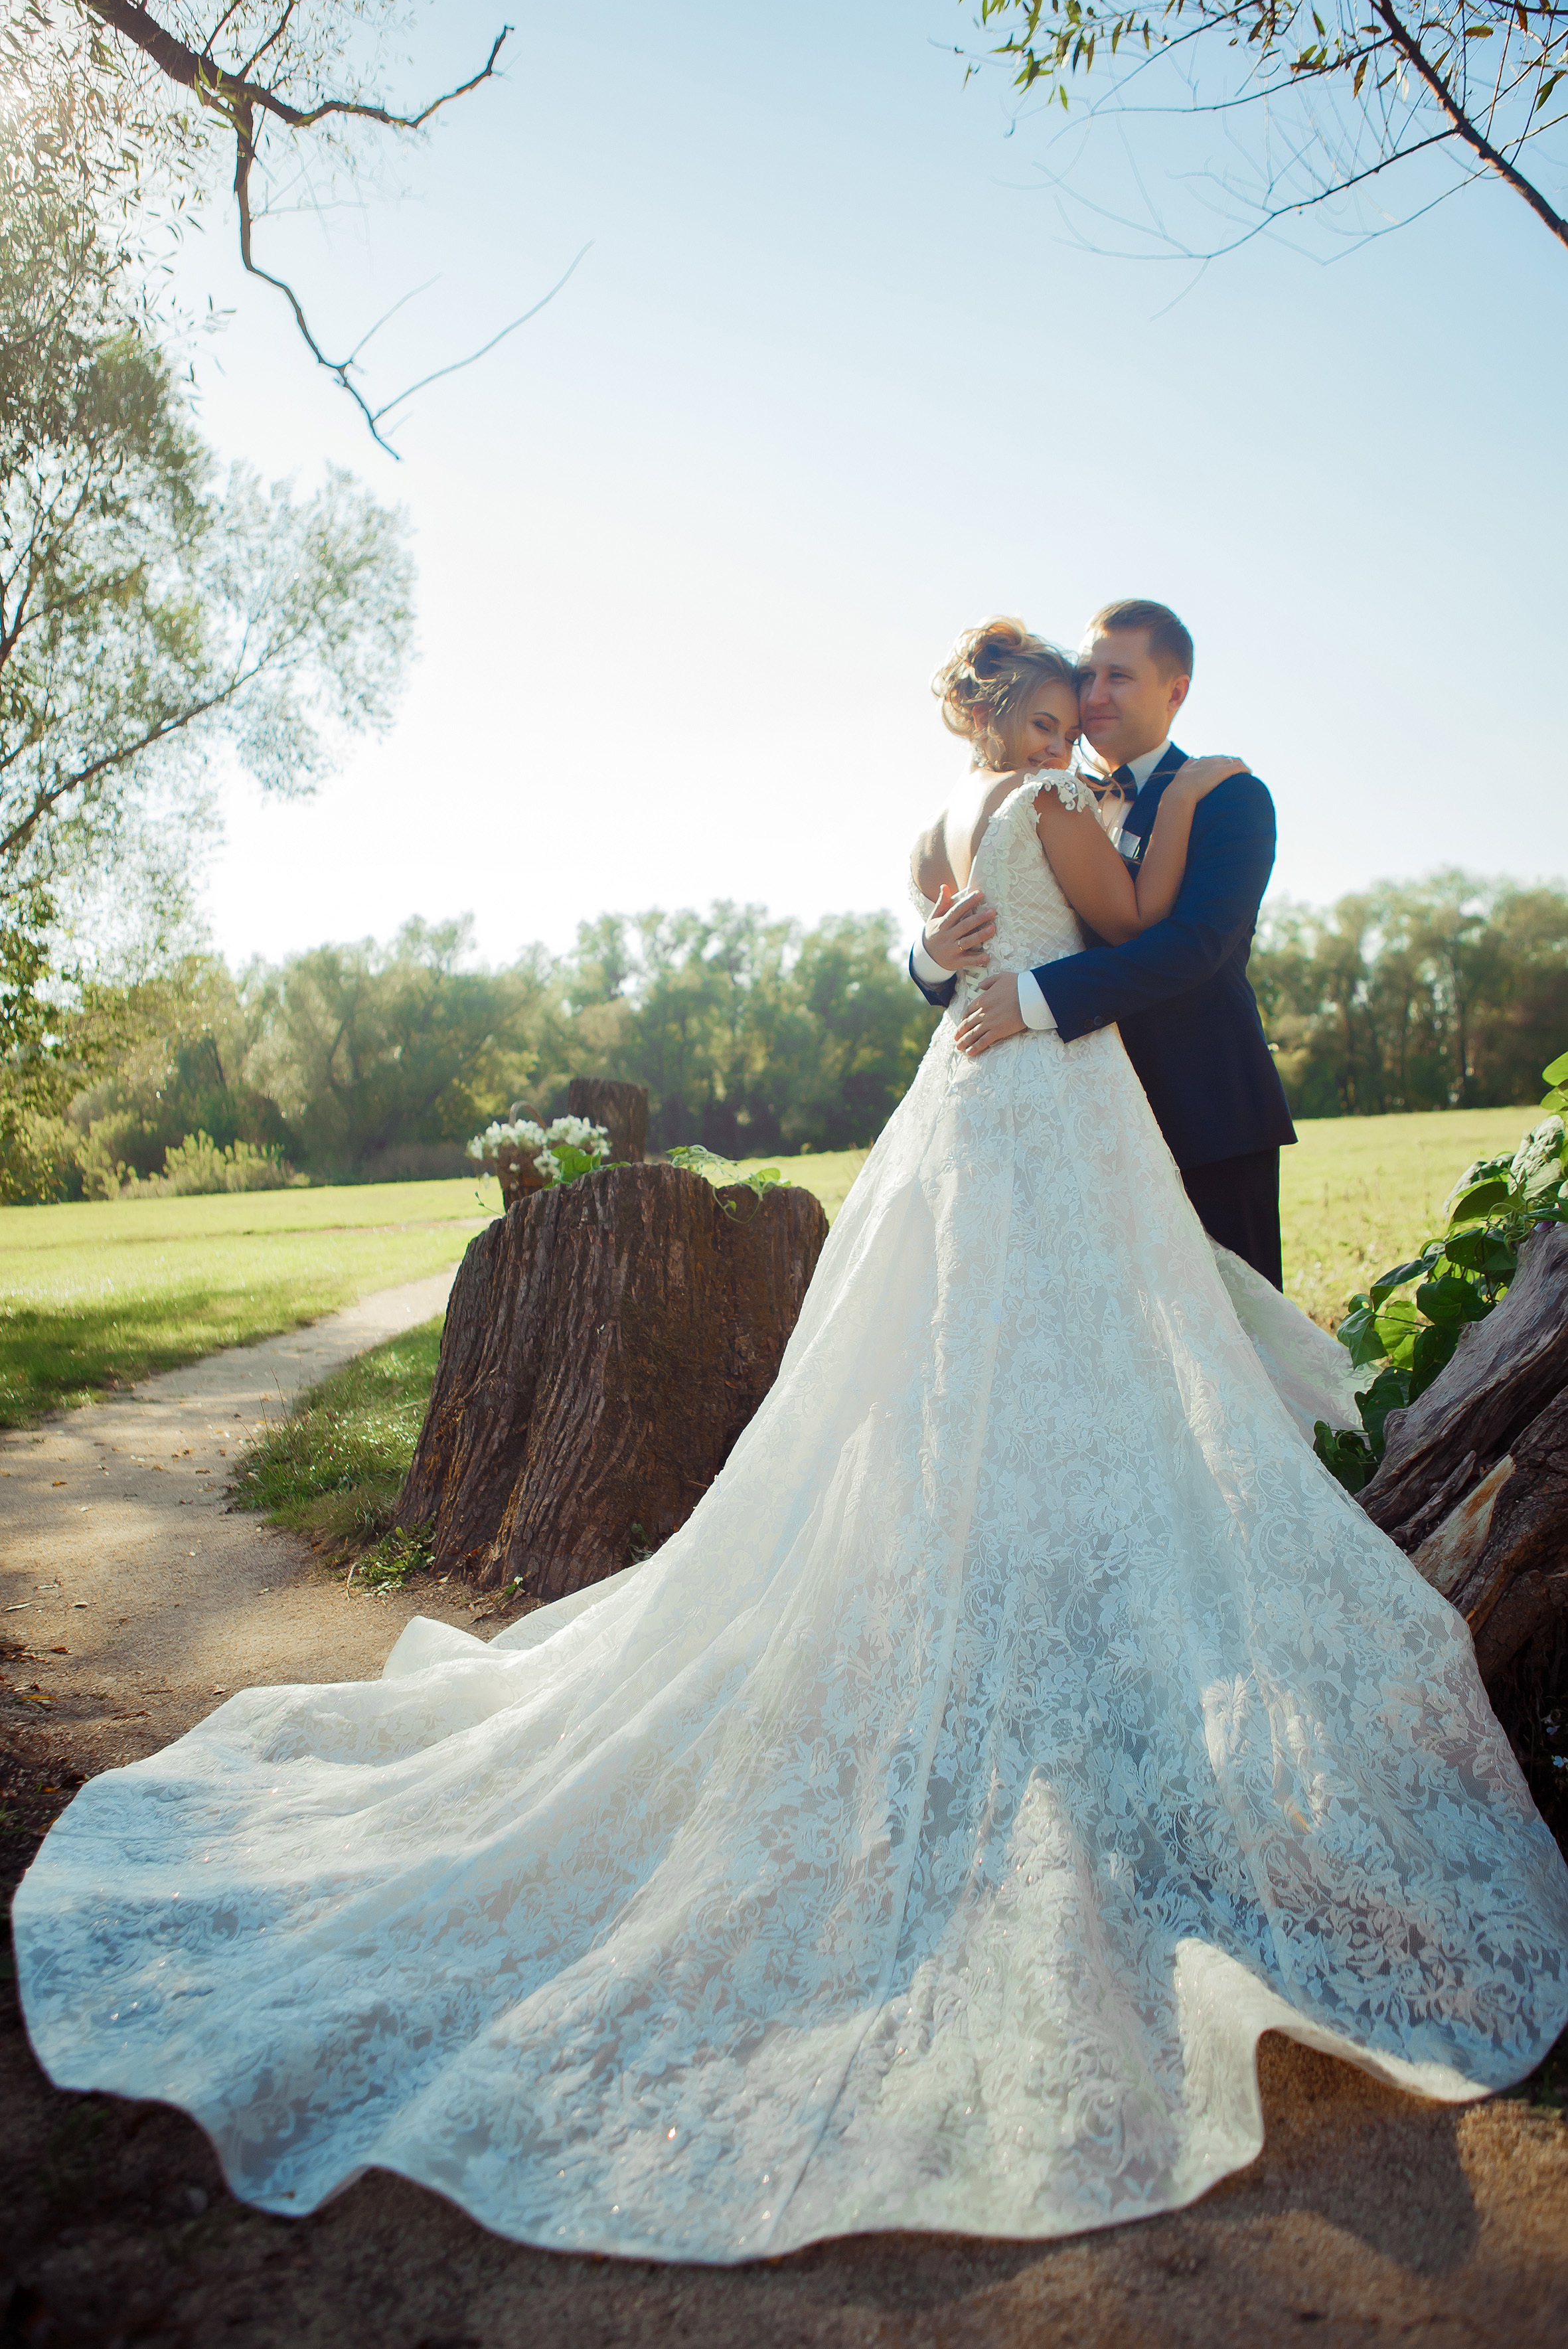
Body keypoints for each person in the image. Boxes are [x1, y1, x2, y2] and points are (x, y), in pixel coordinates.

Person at [16, 619, 1568, 2265]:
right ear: (1024, 714)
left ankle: (1080, 1602)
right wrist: (1002, 924)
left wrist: (987, 947)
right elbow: (1084, 925)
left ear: (1143, 691)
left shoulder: (1047, 803)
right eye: (1064, 700)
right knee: (1073, 1359)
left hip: (1060, 1107)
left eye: (1099, 695)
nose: (1081, 720)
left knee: (1049, 1363)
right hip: (1047, 1101)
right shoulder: (1063, 801)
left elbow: (1141, 941)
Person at [910, 599, 1294, 1288]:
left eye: (1118, 676)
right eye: (1087, 674)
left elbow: (1196, 946)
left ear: (1175, 691)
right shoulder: (1045, 793)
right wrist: (929, 955)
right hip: (1074, 1120)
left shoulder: (1226, 797)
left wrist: (1037, 997)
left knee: (1241, 1326)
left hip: (1203, 1111)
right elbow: (992, 938)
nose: (1093, 695)